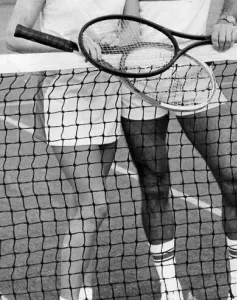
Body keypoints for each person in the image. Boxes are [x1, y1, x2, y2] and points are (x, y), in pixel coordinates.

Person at [121, 1, 237, 300]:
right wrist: (126, 32)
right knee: (153, 187)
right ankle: (170, 289)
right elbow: (127, 14)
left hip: (193, 72)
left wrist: (226, 19)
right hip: (136, 77)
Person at [6, 1, 139, 300]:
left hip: (107, 94)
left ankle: (85, 292)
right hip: (65, 97)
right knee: (96, 205)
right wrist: (73, 45)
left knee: (88, 210)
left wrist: (118, 43)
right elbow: (14, 34)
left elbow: (131, 28)